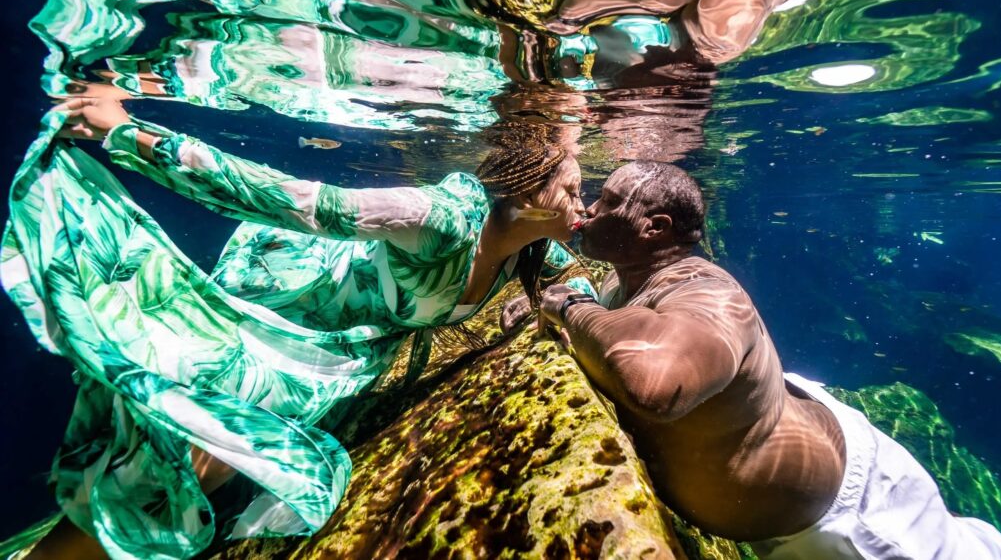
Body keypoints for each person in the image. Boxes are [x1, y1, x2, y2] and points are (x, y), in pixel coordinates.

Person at [3, 93, 586, 559]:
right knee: (179, 461)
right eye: (574, 190)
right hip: (281, 305)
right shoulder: (438, 220)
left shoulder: (526, 246)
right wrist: (128, 133)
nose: (584, 203)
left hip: (331, 349)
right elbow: (285, 198)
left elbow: (576, 276)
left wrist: (576, 307)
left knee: (215, 457)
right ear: (528, 187)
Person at [513, 161, 1001, 559]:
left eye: (608, 201)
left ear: (654, 227)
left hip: (857, 516)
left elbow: (656, 385)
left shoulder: (708, 292)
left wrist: (571, 308)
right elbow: (624, 321)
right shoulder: (626, 276)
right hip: (798, 468)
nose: (590, 209)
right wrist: (559, 302)